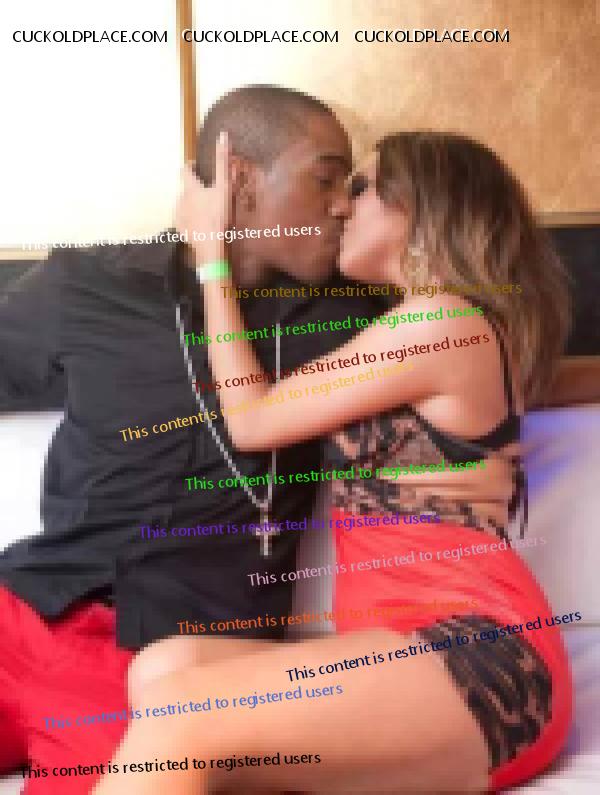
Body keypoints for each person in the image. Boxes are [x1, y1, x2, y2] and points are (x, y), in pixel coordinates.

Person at [93, 131, 573, 794]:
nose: (342, 206)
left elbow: (253, 420)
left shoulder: (442, 322)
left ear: (422, 205)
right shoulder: (445, 326)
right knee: (165, 667)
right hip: (404, 648)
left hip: (479, 657)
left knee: (181, 714)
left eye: (362, 187)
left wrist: (211, 259)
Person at [0, 85, 385, 791]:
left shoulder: (349, 324)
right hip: (24, 607)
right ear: (240, 180)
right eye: (326, 179)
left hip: (160, 665)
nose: (342, 206)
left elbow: (481, 348)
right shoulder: (88, 286)